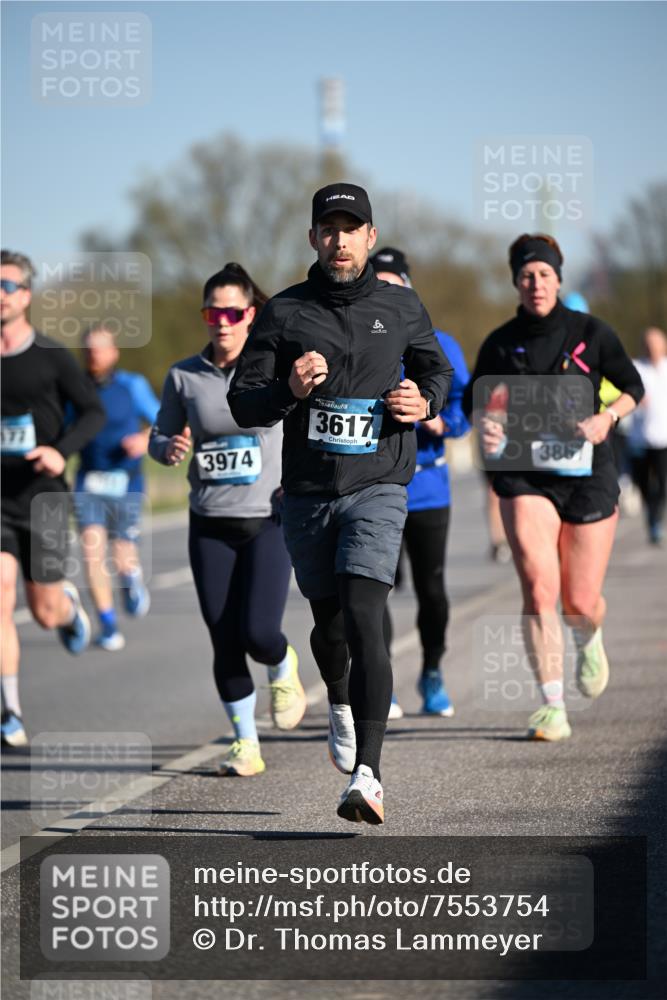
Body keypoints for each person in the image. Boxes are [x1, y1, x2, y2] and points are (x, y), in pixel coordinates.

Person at [228, 184, 452, 823]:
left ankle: (368, 775)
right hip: (308, 492)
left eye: (351, 228)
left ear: (370, 237)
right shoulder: (285, 312)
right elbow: (244, 403)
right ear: (313, 238)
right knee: (329, 625)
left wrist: (424, 401)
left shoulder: (401, 305)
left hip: (379, 483)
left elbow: (437, 372)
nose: (340, 240)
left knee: (363, 613)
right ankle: (339, 699)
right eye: (329, 229)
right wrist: (289, 389)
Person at [464, 233, 644, 742]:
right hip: (524, 475)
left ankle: (589, 636)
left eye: (544, 274)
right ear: (515, 282)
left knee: (578, 603)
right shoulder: (500, 342)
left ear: (558, 279)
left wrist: (608, 418)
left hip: (587, 474)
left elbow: (633, 387)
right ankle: (552, 705)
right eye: (526, 275)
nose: (536, 283)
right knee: (539, 587)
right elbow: (477, 402)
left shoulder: (592, 332)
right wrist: (487, 423)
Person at [149, 263, 306, 777]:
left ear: (251, 315)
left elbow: (305, 424)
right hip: (209, 522)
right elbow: (159, 435)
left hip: (268, 518)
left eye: (232, 313)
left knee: (259, 632)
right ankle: (245, 744)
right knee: (224, 638)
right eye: (212, 313)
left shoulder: (276, 368)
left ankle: (281, 664)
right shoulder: (184, 376)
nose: (222, 322)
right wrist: (167, 448)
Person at [1, 249, 105, 747]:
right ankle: (11, 711)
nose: (0, 295)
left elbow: (92, 413)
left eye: (8, 286)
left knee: (42, 612)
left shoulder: (50, 355)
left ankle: (66, 609)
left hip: (42, 497)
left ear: (26, 295)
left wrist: (60, 452)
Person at [370, 247, 470, 719]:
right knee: (375, 589)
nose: (388, 294)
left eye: (396, 286)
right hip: (373, 485)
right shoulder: (359, 339)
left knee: (432, 590)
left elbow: (464, 405)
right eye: (380, 285)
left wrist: (439, 421)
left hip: (427, 487)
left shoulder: (439, 342)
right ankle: (382, 683)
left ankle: (432, 671)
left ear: (411, 290)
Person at [73, 325, 160, 650]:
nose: (93, 355)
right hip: (89, 479)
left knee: (122, 553)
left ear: (114, 352)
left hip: (126, 480)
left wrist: (143, 439)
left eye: (99, 348)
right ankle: (108, 624)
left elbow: (162, 420)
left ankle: (129, 578)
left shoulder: (131, 385)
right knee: (91, 551)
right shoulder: (75, 387)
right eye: (88, 349)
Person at [630, 326, 667, 545]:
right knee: (642, 483)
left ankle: (656, 520)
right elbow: (623, 391)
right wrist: (634, 397)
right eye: (649, 344)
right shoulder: (636, 368)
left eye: (656, 344)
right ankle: (650, 513)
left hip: (663, 438)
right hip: (639, 439)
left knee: (662, 484)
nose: (652, 348)